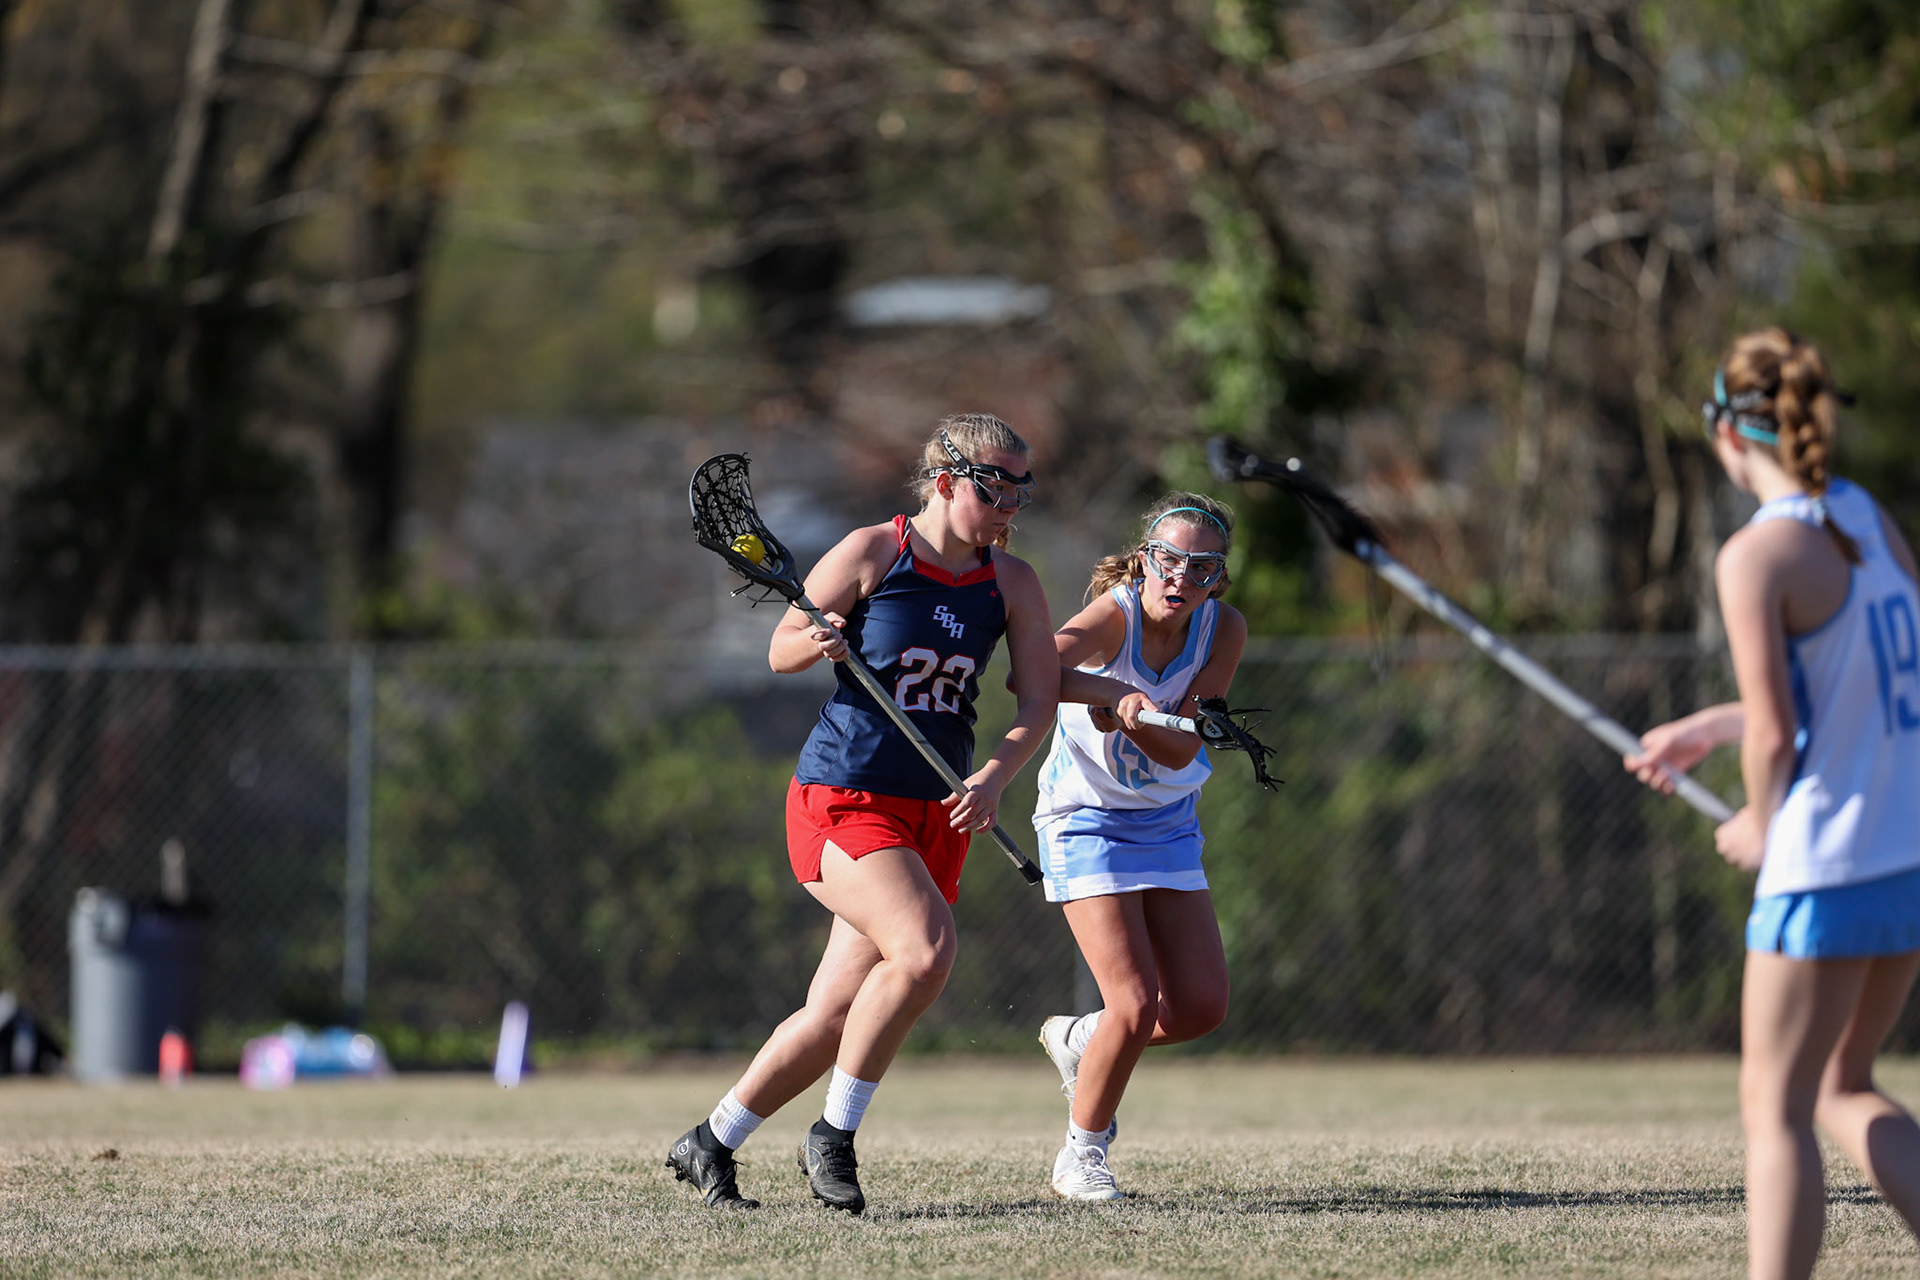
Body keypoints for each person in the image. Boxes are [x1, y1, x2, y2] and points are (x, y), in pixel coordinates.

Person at [665, 413, 1059, 1214]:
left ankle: (711, 1140)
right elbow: (781, 648)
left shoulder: (1012, 582)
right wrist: (821, 640)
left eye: (1021, 491)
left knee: (834, 1012)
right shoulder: (873, 551)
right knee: (925, 951)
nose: (1009, 507)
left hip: (935, 811)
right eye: (995, 488)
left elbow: (1040, 701)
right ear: (945, 481)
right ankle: (833, 1136)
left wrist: (993, 778)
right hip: (844, 795)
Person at [1625, 328, 1920, 1279]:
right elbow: (1842, 695)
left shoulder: (1757, 555)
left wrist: (1761, 821)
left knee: (1777, 1110)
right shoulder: (1865, 518)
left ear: (1725, 432)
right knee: (1843, 1086)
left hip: (1825, 867)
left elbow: (1779, 737)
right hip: (1906, 853)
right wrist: (1708, 728)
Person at [1028, 492, 1248, 1201]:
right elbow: (1032, 671)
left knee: (1199, 1007)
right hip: (1085, 818)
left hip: (1168, 819)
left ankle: (1080, 1041)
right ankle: (1081, 1157)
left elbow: (1181, 751)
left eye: (1202, 566)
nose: (1182, 576)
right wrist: (1108, 690)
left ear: (1218, 577)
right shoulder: (1113, 614)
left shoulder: (1223, 628)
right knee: (1133, 1002)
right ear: (1146, 559)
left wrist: (1128, 719)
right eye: (1169, 559)